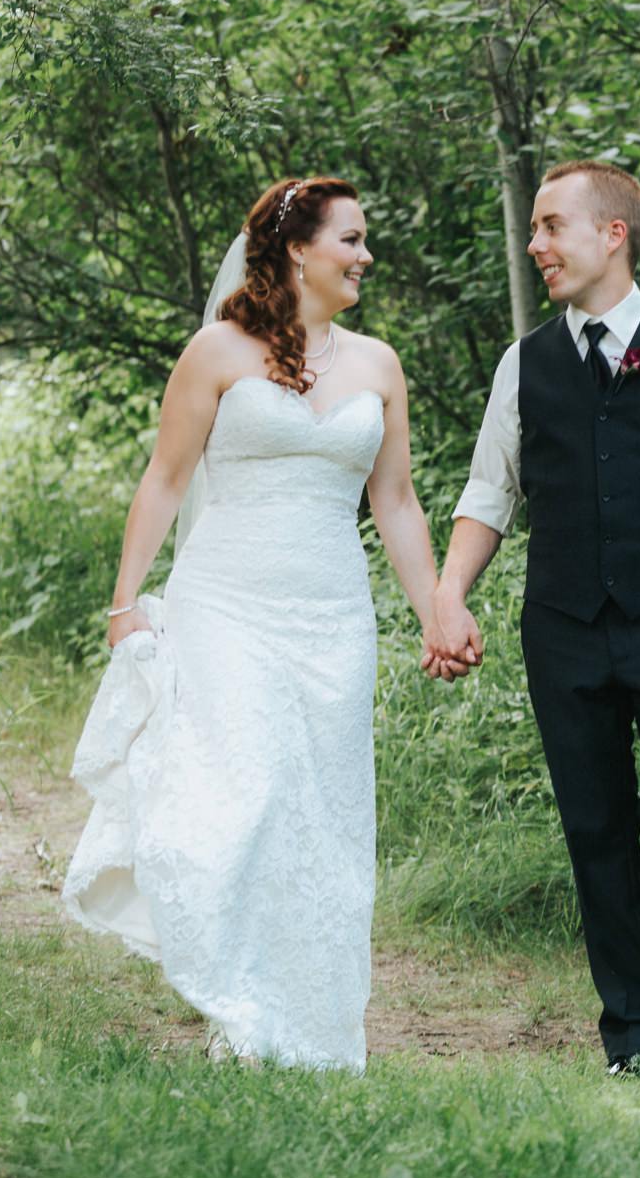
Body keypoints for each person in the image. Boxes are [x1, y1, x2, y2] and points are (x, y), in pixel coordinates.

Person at [61, 177, 455, 1071]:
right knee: (245, 800)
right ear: (295, 250)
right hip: (227, 606)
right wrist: (126, 605)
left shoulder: (378, 365)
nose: (364, 257)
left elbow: (394, 502)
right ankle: (238, 1006)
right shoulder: (217, 352)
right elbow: (165, 479)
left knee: (324, 817)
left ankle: (316, 1029)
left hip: (333, 618)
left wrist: (435, 608)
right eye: (350, 240)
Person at [429, 161, 640, 1075]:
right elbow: (488, 492)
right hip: (563, 626)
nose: (536, 245)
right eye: (534, 229)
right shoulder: (524, 364)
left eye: (551, 227)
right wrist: (448, 593)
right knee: (597, 825)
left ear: (611, 233)